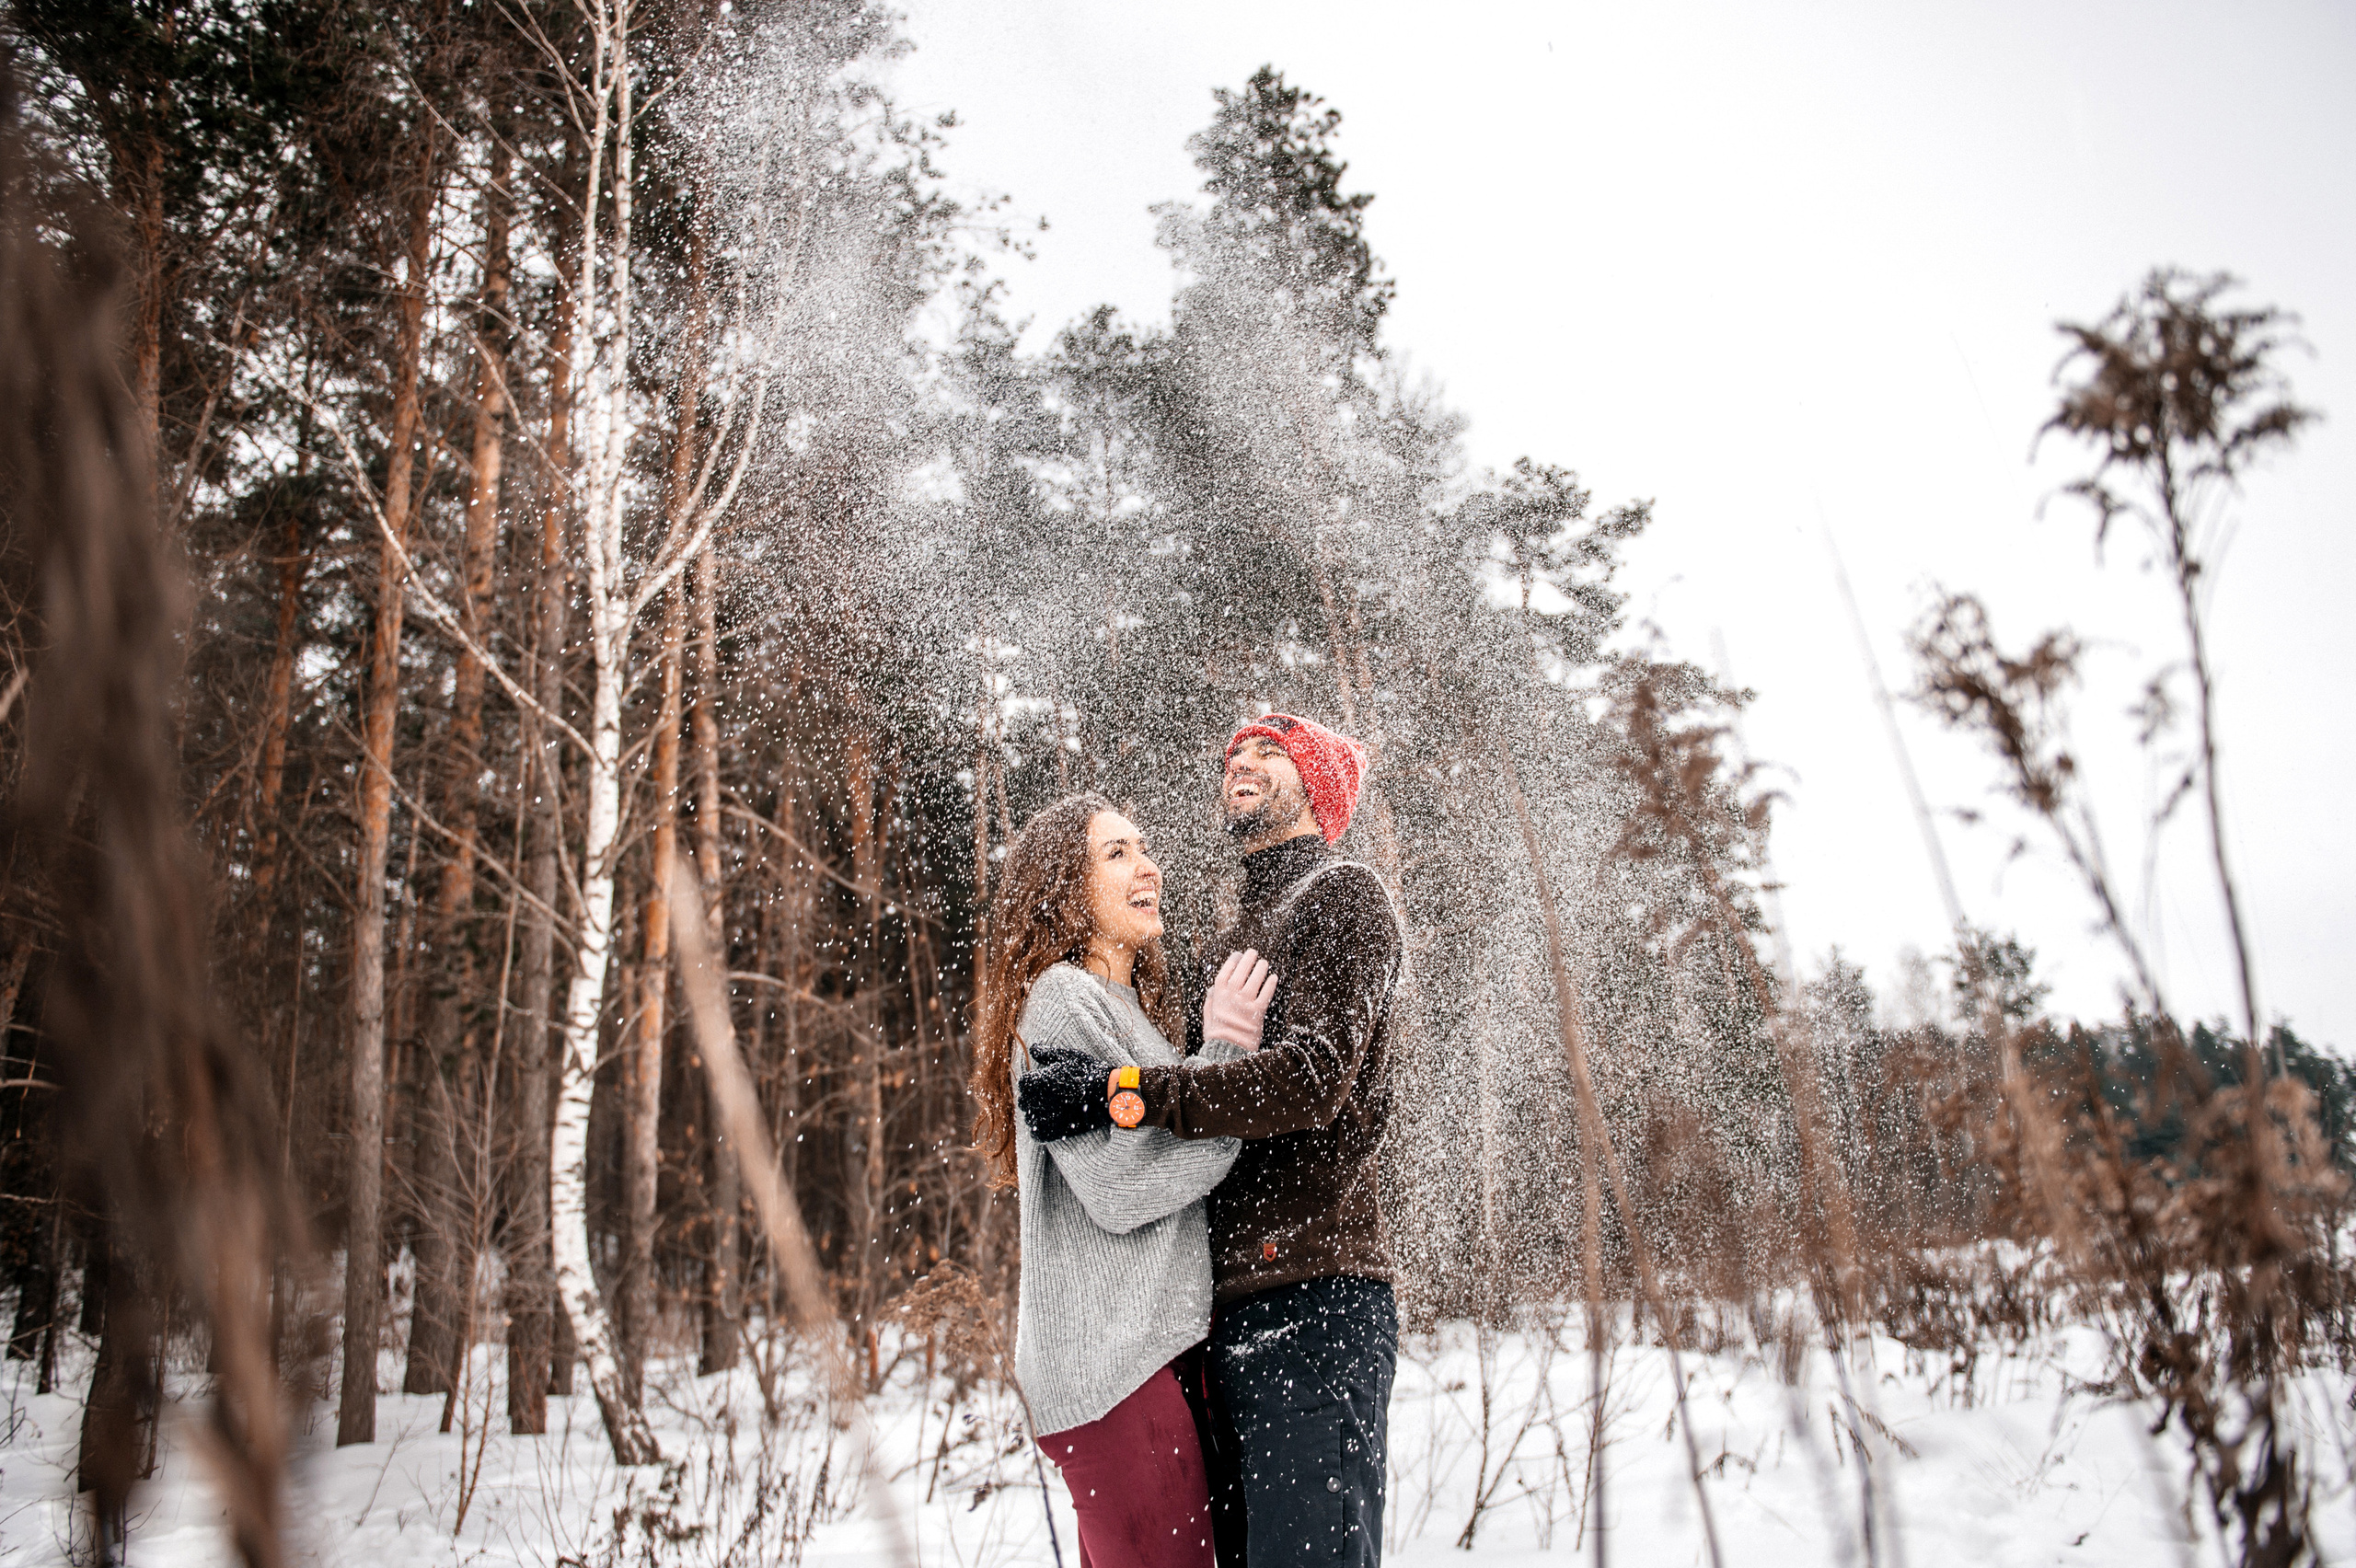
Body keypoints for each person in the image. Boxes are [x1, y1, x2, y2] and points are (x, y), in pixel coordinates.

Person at [1020, 715, 1404, 1568]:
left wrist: (1122, 1093)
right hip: (1223, 1320)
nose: (1245, 757)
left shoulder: (1343, 893)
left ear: (1319, 787)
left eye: (1273, 749)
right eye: (1236, 750)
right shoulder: (1231, 936)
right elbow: (1202, 1109)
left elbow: (1309, 1082)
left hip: (1313, 1292)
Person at [969, 790, 1280, 1568]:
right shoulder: (1062, 995)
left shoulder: (1128, 1008)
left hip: (1149, 1355)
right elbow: (1124, 1187)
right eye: (1117, 854)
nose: (1149, 868)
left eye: (1143, 848)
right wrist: (1228, 1060)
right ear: (1063, 887)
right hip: (1112, 1368)